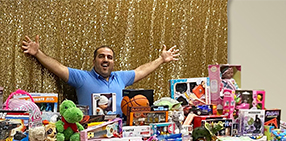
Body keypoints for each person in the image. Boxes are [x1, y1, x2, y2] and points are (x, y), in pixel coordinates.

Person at [21, 35, 180, 115]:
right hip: (91, 133)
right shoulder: (82, 78)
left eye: (109, 57)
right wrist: (37, 53)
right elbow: (59, 68)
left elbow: (141, 70)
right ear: (94, 60)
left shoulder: (120, 77)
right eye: (101, 56)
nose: (106, 60)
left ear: (113, 62)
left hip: (119, 133)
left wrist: (161, 59)